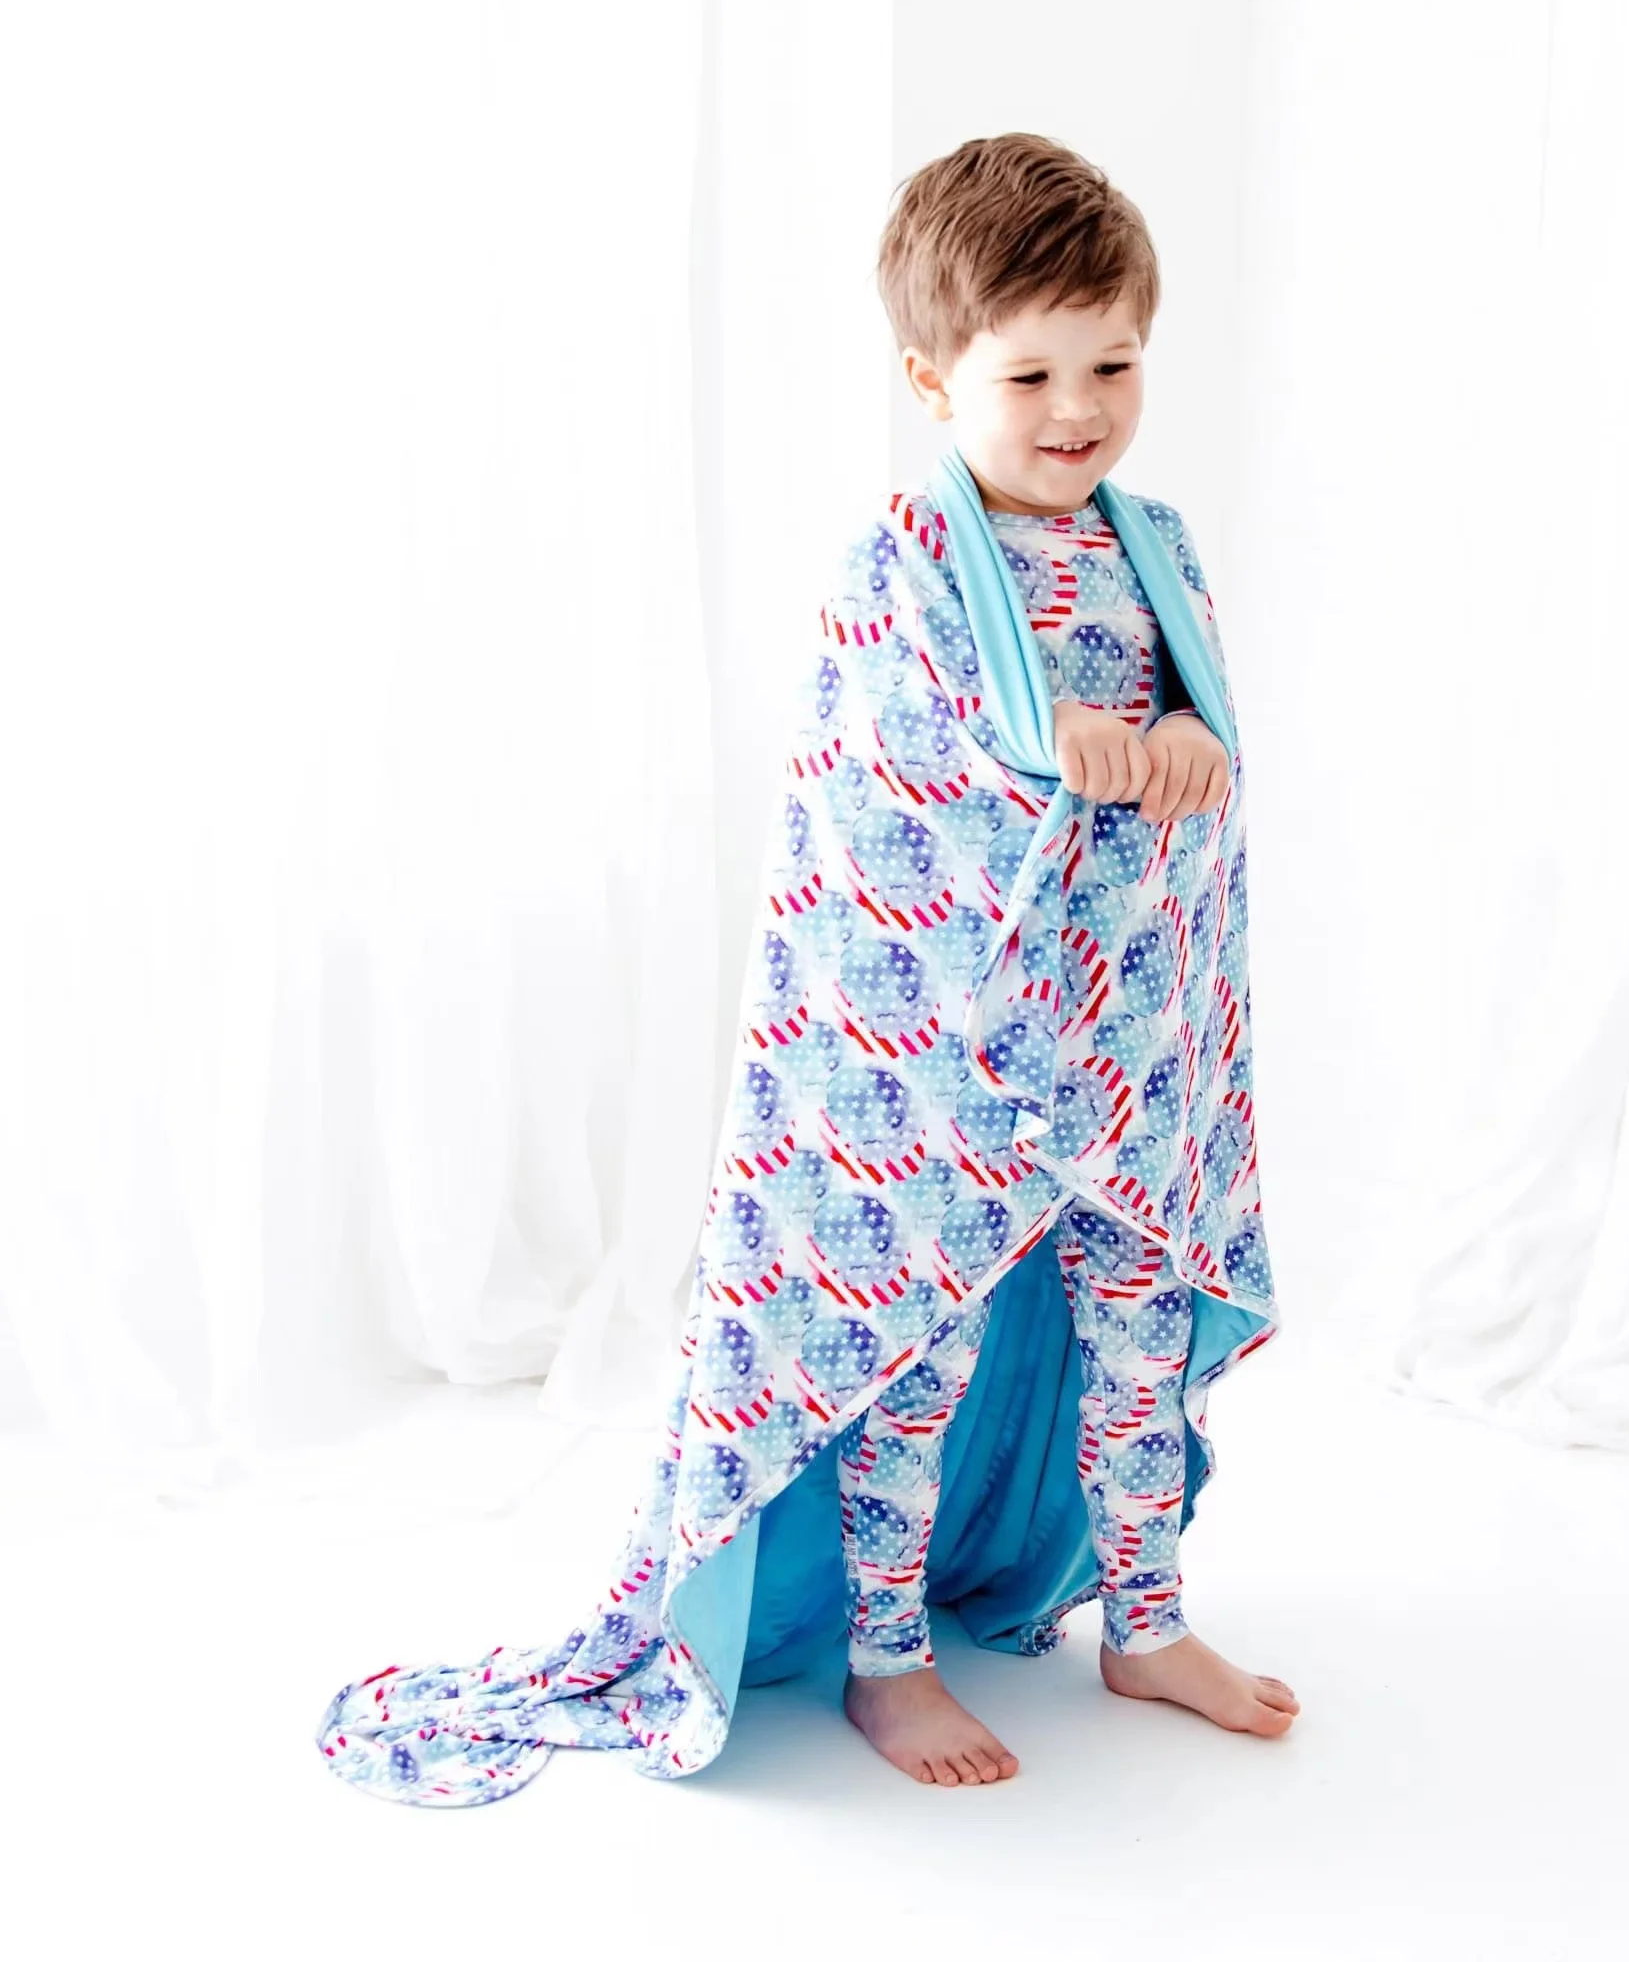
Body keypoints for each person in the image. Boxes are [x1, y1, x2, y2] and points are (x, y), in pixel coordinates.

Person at [316, 130, 1296, 1808]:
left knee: (1135, 1325)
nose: (1079, 409)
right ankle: (887, 1656)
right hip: (946, 1060)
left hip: (1131, 1042)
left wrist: (1194, 741)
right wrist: (1041, 752)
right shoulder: (902, 559)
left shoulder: (1160, 544)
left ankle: (1147, 1619)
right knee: (914, 1353)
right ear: (932, 378)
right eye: (1032, 374)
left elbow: (1194, 722)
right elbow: (884, 784)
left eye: (1115, 363)